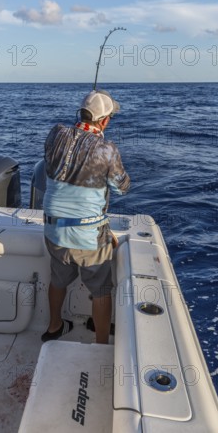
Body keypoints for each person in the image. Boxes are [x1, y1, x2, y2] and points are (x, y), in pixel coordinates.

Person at [42, 89, 130, 344]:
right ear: (104, 121)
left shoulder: (55, 133)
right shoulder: (107, 150)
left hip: (54, 232)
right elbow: (122, 187)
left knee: (58, 280)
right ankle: (101, 343)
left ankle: (54, 326)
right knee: (102, 290)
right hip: (88, 239)